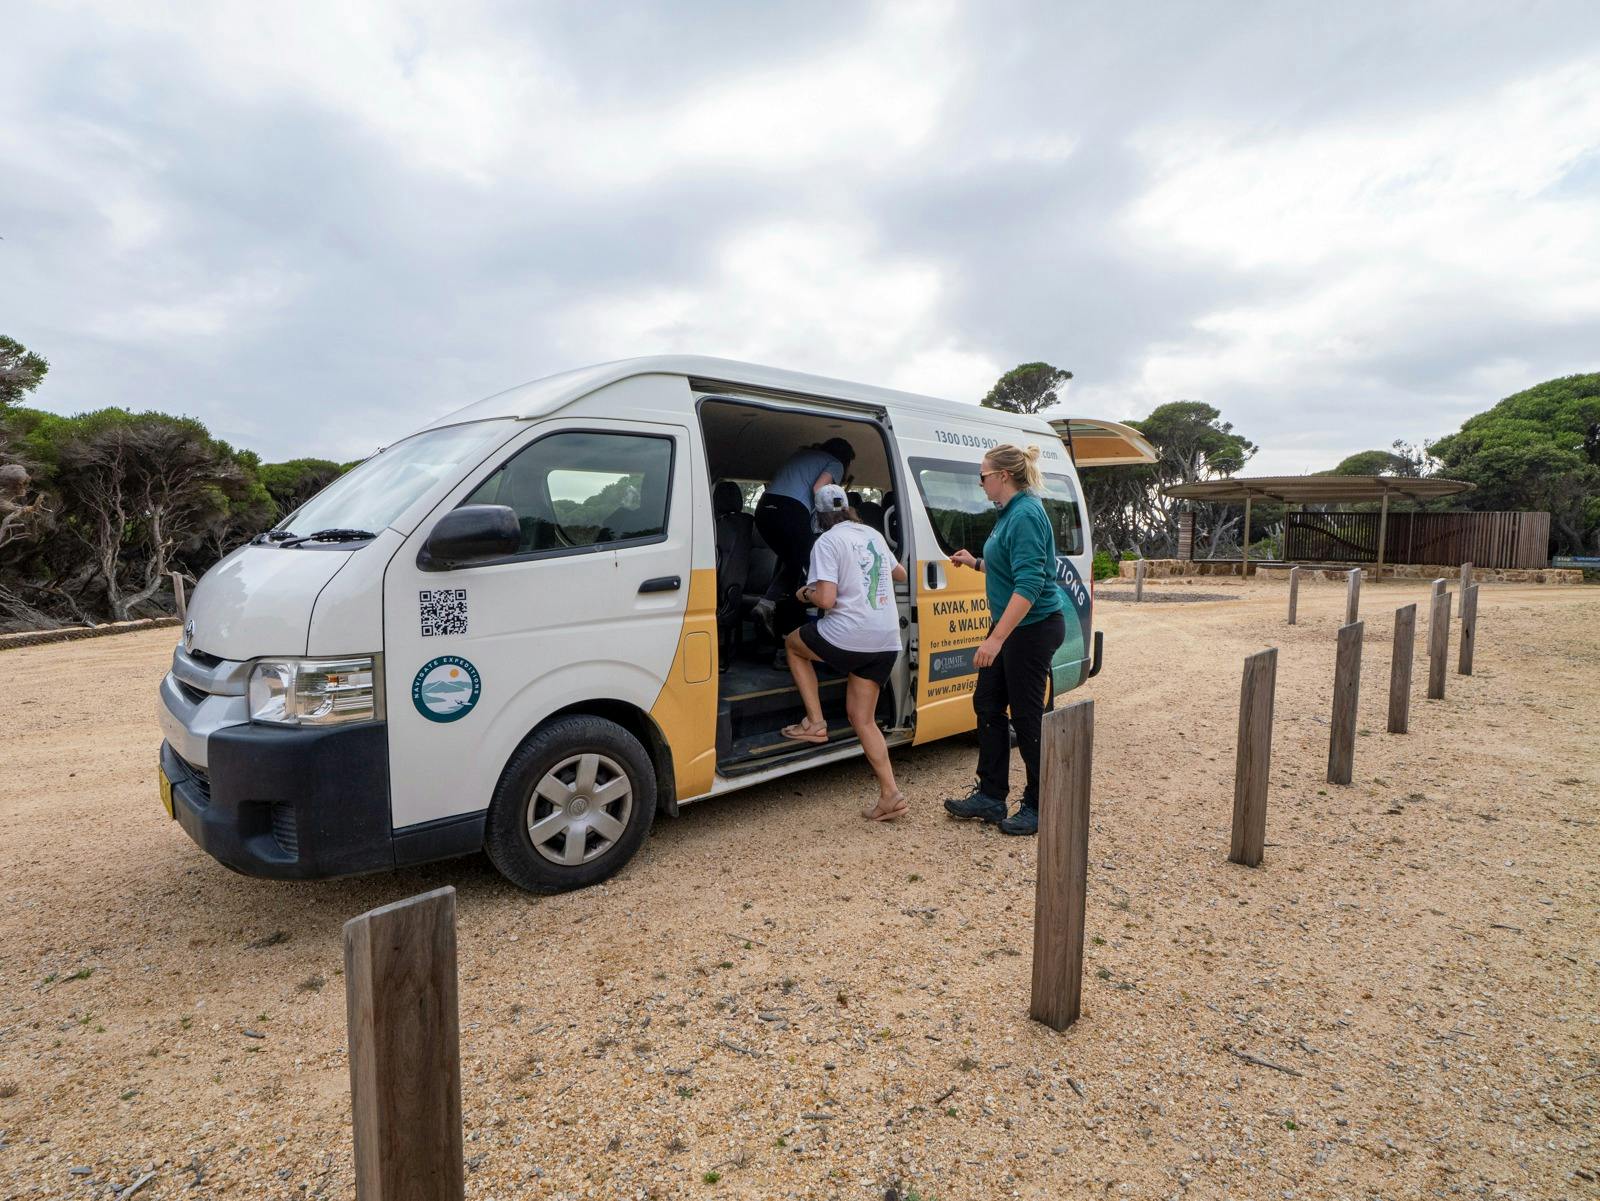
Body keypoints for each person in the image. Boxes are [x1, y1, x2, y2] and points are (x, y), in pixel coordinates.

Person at [942, 444, 1066, 836]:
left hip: (1032, 628)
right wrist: (975, 562)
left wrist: (995, 640)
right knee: (988, 705)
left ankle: (1040, 803)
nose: (980, 482)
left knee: (1027, 718)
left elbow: (1029, 585)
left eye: (983, 475)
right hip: (1015, 628)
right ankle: (992, 796)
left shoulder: (1026, 513)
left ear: (1002, 477)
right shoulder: (1009, 513)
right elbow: (1010, 568)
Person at [780, 484, 909, 822]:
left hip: (848, 636)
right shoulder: (872, 534)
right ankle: (890, 795)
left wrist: (803, 593)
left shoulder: (827, 541)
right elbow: (901, 573)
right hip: (885, 640)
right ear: (849, 508)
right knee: (862, 718)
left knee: (794, 646)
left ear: (818, 516)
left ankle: (815, 722)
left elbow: (826, 600)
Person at [752, 438, 855, 643]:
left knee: (794, 562)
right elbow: (819, 489)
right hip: (790, 511)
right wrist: (837, 516)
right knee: (812, 571)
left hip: (764, 510)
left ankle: (766, 605)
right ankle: (792, 636)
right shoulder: (835, 463)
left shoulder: (803, 455)